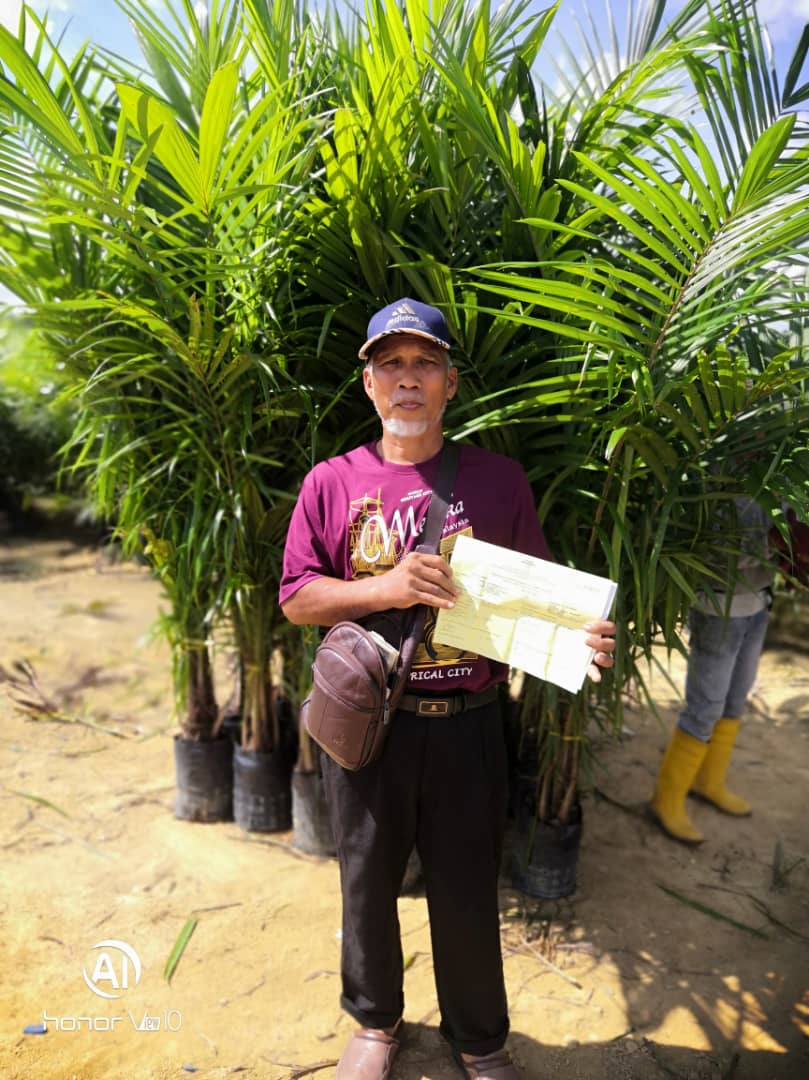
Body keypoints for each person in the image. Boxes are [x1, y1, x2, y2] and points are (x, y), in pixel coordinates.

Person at [279, 298, 616, 1080]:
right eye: (390, 364)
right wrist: (387, 587)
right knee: (365, 882)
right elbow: (297, 597)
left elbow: (539, 597)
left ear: (449, 383)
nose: (407, 379)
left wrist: (581, 636)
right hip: (370, 725)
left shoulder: (498, 481)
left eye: (423, 363)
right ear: (368, 383)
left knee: (466, 887)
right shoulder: (332, 481)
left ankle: (479, 1037)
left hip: (468, 723)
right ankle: (374, 1023)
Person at [650, 495, 775, 844]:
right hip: (719, 606)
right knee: (705, 708)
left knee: (735, 701)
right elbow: (705, 545)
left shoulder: (778, 467)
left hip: (759, 600)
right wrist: (775, 545)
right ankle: (666, 800)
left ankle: (708, 781)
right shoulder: (720, 469)